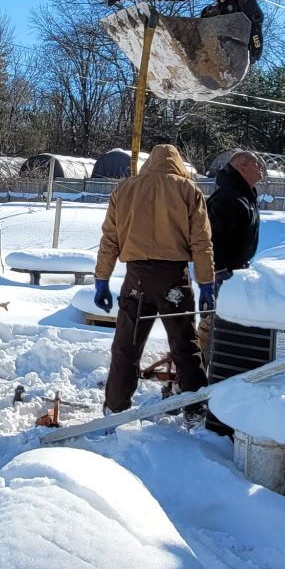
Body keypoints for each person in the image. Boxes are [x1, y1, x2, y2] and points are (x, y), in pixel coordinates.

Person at [94, 143, 214, 414]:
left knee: (127, 344)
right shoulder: (188, 190)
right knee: (184, 344)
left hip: (135, 278)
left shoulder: (124, 189)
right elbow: (202, 242)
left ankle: (115, 406)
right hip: (173, 279)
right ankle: (194, 409)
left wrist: (102, 279)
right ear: (178, 164)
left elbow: (109, 239)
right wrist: (206, 283)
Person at [206, 149, 266, 300]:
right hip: (223, 275)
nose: (260, 167)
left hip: (236, 272)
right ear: (242, 168)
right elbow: (213, 238)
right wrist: (220, 271)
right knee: (219, 320)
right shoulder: (228, 198)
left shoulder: (244, 194)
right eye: (256, 163)